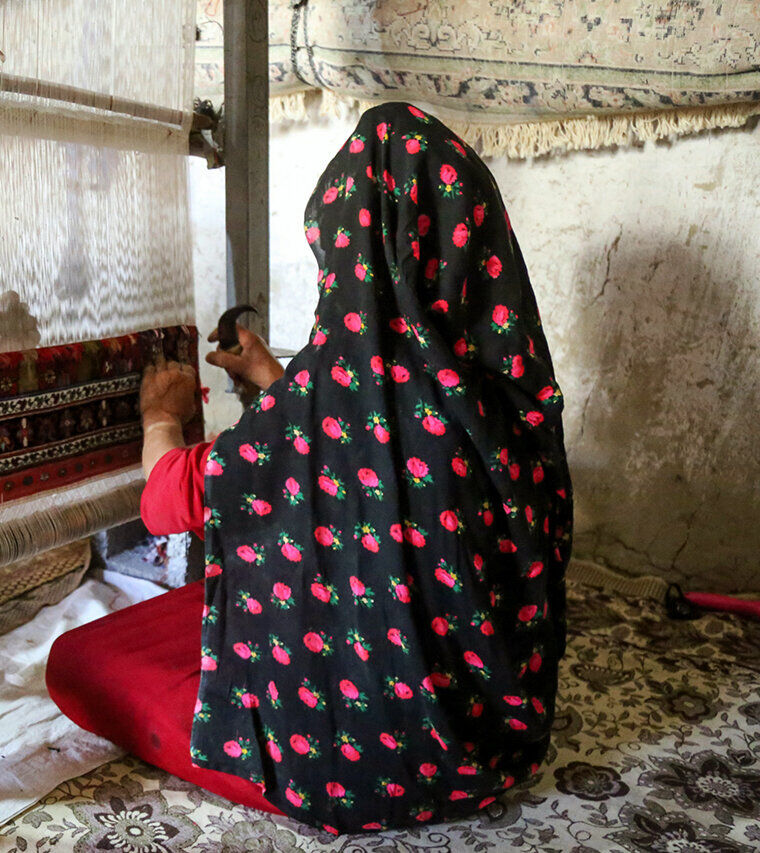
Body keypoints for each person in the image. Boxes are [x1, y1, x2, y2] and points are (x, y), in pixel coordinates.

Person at [46, 102, 572, 834]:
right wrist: (276, 380)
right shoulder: (513, 398)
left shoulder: (305, 414)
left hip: (344, 772)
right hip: (493, 751)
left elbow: (166, 502)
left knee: (81, 659)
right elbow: (370, 447)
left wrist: (161, 415)